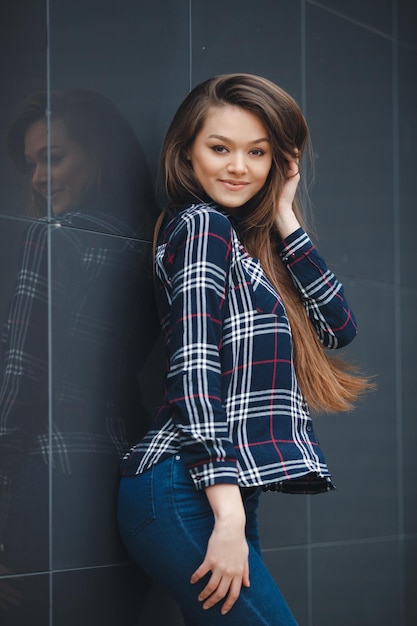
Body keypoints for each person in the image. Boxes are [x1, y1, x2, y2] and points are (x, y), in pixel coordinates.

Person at [117, 73, 372, 626]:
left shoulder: (248, 249)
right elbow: (195, 366)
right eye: (219, 147)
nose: (238, 166)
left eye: (257, 152)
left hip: (221, 493)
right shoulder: (201, 226)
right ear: (186, 152)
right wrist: (227, 516)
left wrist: (284, 211)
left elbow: (338, 327)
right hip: (187, 490)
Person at [0, 89, 159, 622]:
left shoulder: (53, 239)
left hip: (48, 484)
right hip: (127, 481)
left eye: (53, 156)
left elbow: (18, 383)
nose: (39, 178)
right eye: (30, 164)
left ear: (98, 156)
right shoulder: (147, 244)